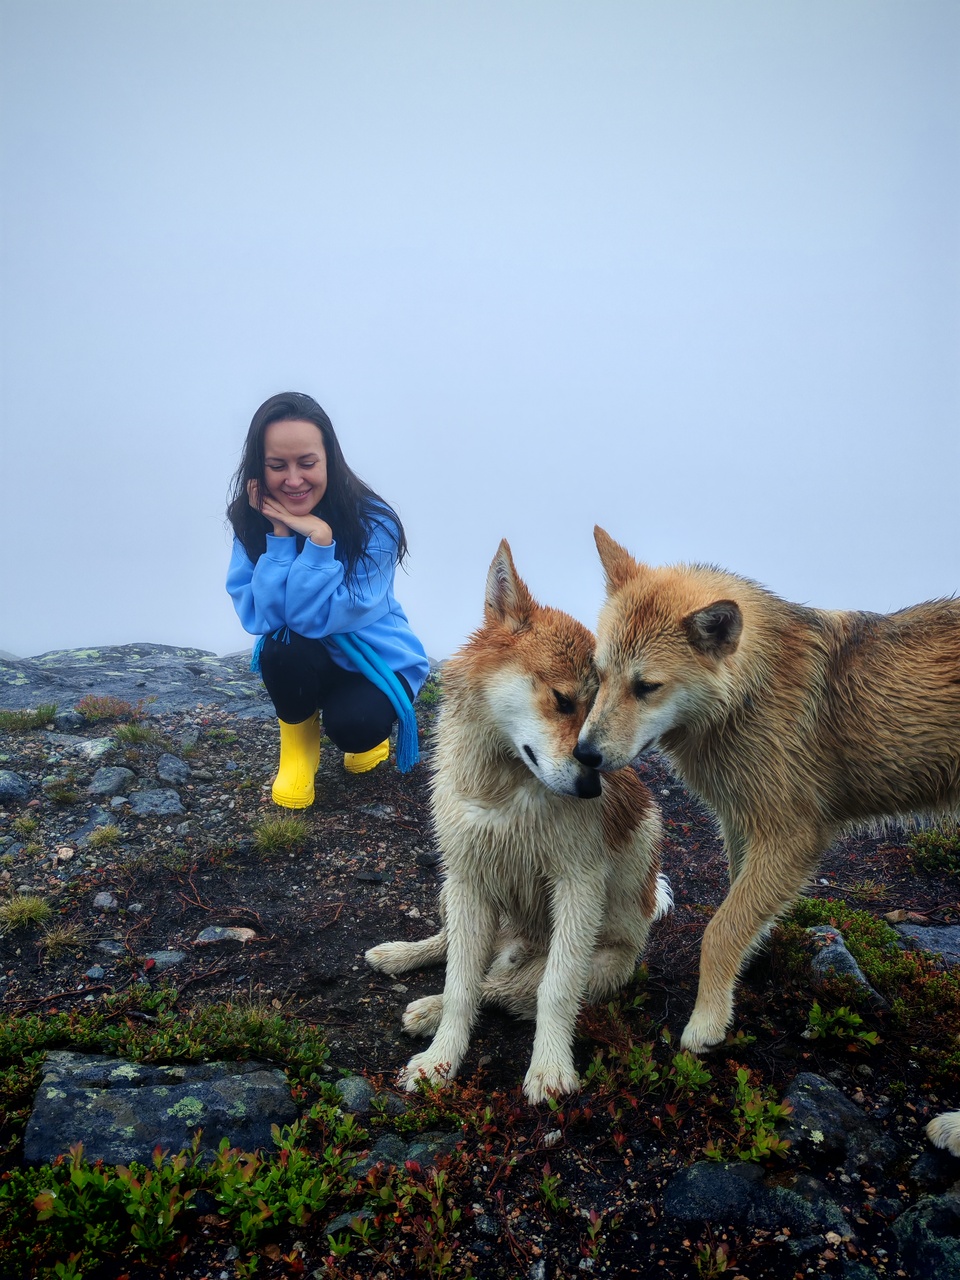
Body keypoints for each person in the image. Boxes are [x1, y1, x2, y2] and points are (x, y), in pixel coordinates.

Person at [226, 392, 429, 809]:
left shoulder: (375, 524)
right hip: (311, 654)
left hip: (377, 660)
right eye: (277, 466)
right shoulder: (253, 521)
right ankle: (298, 753)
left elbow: (311, 618)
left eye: (307, 463)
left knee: (355, 726)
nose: (293, 480)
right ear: (259, 468)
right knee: (280, 648)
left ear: (329, 460)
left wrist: (319, 540)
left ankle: (366, 735)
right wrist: (280, 535)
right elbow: (263, 618)